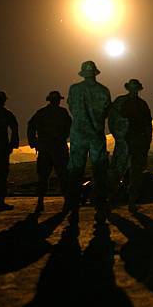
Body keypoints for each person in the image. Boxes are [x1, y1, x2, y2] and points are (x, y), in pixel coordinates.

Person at [66, 60, 111, 223]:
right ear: (95, 73)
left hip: (78, 135)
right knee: (99, 171)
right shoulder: (103, 91)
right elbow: (106, 112)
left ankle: (72, 206)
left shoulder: (74, 89)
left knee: (75, 170)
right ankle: (100, 207)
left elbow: (71, 108)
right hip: (96, 135)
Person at [108, 79, 153, 212]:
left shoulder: (128, 102)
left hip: (134, 142)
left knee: (132, 172)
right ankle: (114, 200)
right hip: (129, 142)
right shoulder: (137, 104)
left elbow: (147, 125)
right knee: (123, 171)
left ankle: (124, 201)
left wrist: (146, 142)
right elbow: (113, 121)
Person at [27, 90, 72, 213]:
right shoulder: (62, 113)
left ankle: (40, 202)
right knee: (63, 176)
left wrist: (34, 142)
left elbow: (31, 126)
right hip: (58, 149)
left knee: (43, 176)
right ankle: (66, 202)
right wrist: (63, 137)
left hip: (46, 149)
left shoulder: (41, 113)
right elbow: (69, 127)